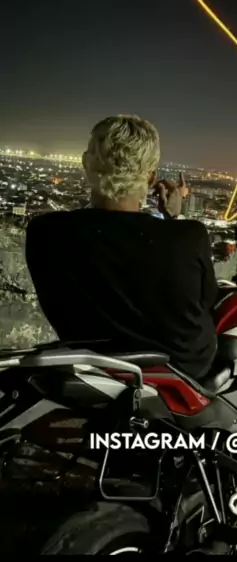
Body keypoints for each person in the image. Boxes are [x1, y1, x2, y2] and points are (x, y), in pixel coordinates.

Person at [25, 115, 218, 380]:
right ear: (151, 177)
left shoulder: (45, 232)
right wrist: (173, 218)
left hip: (91, 368)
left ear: (85, 164)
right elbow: (206, 301)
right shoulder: (188, 236)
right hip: (179, 371)